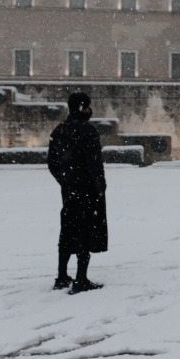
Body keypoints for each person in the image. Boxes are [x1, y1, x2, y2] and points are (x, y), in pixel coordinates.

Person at [47, 92, 108, 294]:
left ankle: (62, 276)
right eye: (89, 106)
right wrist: (99, 186)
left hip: (69, 190)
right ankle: (81, 279)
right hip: (87, 189)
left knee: (67, 230)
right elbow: (94, 164)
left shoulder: (59, 130)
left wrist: (65, 180)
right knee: (85, 231)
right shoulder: (87, 131)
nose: (91, 110)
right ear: (83, 108)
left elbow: (53, 163)